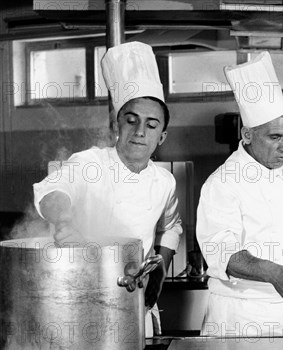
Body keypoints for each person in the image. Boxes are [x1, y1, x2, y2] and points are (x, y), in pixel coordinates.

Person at [33, 42, 182, 335]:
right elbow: (51, 192)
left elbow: (172, 227)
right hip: (83, 303)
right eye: (131, 121)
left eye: (151, 125)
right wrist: (64, 220)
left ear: (161, 137)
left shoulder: (165, 182)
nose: (140, 132)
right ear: (117, 126)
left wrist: (160, 268)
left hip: (136, 302)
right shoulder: (89, 162)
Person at [196, 52, 283, 338]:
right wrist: (273, 273)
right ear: (247, 135)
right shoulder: (222, 183)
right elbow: (221, 252)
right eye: (275, 137)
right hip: (240, 315)